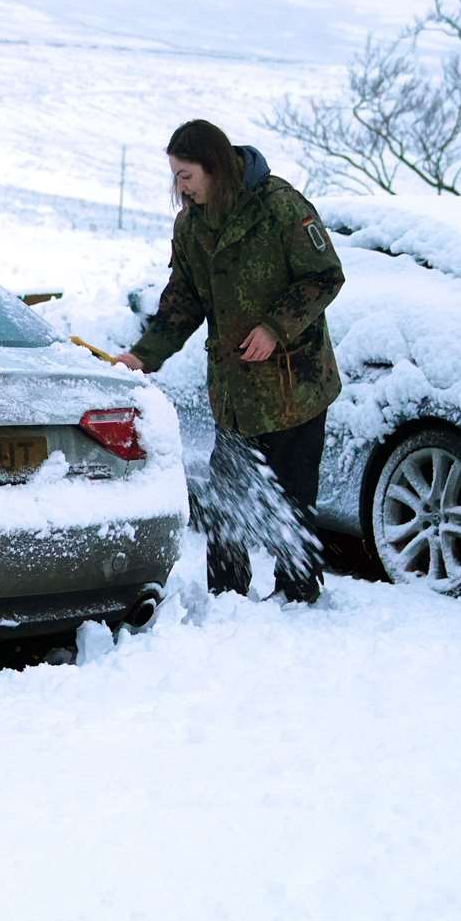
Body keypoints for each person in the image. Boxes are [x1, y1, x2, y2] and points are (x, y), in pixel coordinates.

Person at [116, 120, 344, 603]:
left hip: (294, 385)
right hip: (235, 389)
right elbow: (183, 300)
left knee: (292, 496)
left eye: (186, 176)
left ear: (214, 168)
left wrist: (274, 327)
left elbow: (324, 277)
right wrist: (143, 355)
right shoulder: (192, 225)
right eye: (176, 176)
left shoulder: (281, 207)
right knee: (228, 495)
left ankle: (298, 593)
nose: (180, 187)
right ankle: (228, 597)